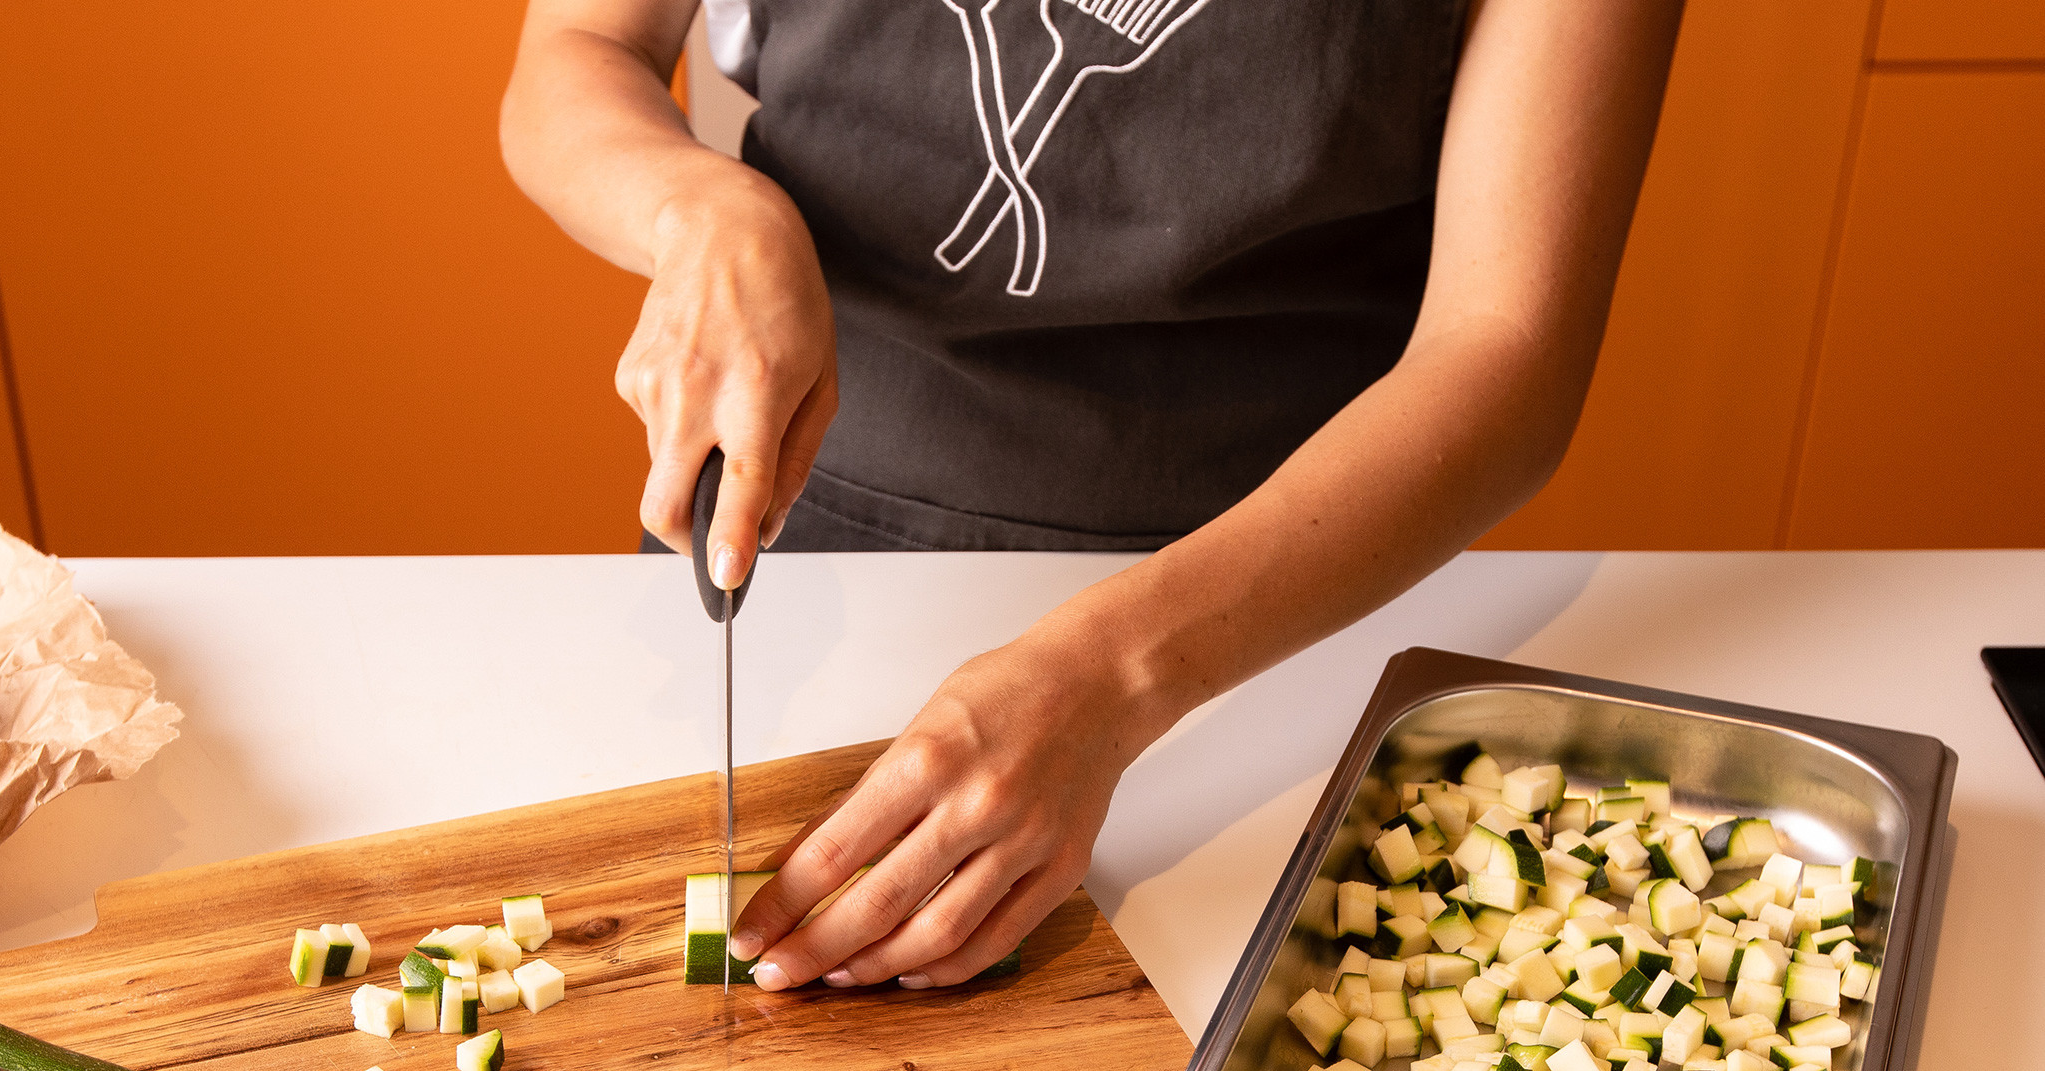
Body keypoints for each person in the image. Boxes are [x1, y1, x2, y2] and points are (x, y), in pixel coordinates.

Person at [503, 0, 1683, 991]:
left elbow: (1505, 346)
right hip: (802, 540)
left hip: (1286, 608)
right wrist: (702, 210)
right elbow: (578, 56)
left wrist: (1114, 674)